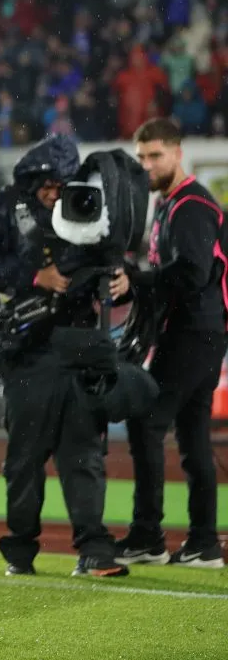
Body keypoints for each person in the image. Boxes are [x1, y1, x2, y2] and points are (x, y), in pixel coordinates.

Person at [0, 134, 129, 579]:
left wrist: (123, 279)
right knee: (24, 459)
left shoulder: (87, 202)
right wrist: (34, 276)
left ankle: (95, 549)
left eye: (62, 184)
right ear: (33, 179)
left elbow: (112, 255)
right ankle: (20, 551)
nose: (55, 193)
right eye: (48, 185)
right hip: (27, 349)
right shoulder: (7, 205)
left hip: (79, 345)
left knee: (84, 455)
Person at [111, 117, 227, 569]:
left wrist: (136, 279)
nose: (147, 165)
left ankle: (149, 536)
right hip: (200, 330)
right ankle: (203, 542)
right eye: (141, 157)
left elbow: (192, 273)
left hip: (192, 330)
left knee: (146, 420)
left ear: (179, 153)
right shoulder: (172, 203)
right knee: (194, 435)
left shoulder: (192, 206)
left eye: (155, 155)